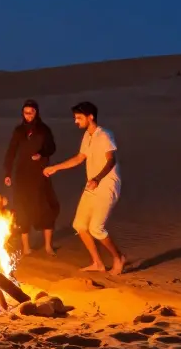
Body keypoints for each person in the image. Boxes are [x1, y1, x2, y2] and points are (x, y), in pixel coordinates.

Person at [43, 102, 127, 275]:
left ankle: (119, 258)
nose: (76, 121)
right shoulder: (87, 136)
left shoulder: (104, 135)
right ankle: (98, 263)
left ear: (91, 117)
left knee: (96, 228)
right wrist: (55, 168)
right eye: (75, 118)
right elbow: (79, 158)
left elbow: (111, 159)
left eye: (79, 118)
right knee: (79, 225)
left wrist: (97, 178)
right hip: (92, 185)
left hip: (107, 185)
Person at [2, 100, 59, 256]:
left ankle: (48, 247)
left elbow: (52, 147)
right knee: (23, 209)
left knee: (46, 207)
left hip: (40, 173)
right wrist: (7, 173)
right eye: (25, 112)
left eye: (31, 112)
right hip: (22, 175)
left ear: (36, 112)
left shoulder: (44, 129)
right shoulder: (19, 131)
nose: (28, 115)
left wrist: (41, 154)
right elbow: (11, 152)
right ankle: (26, 247)